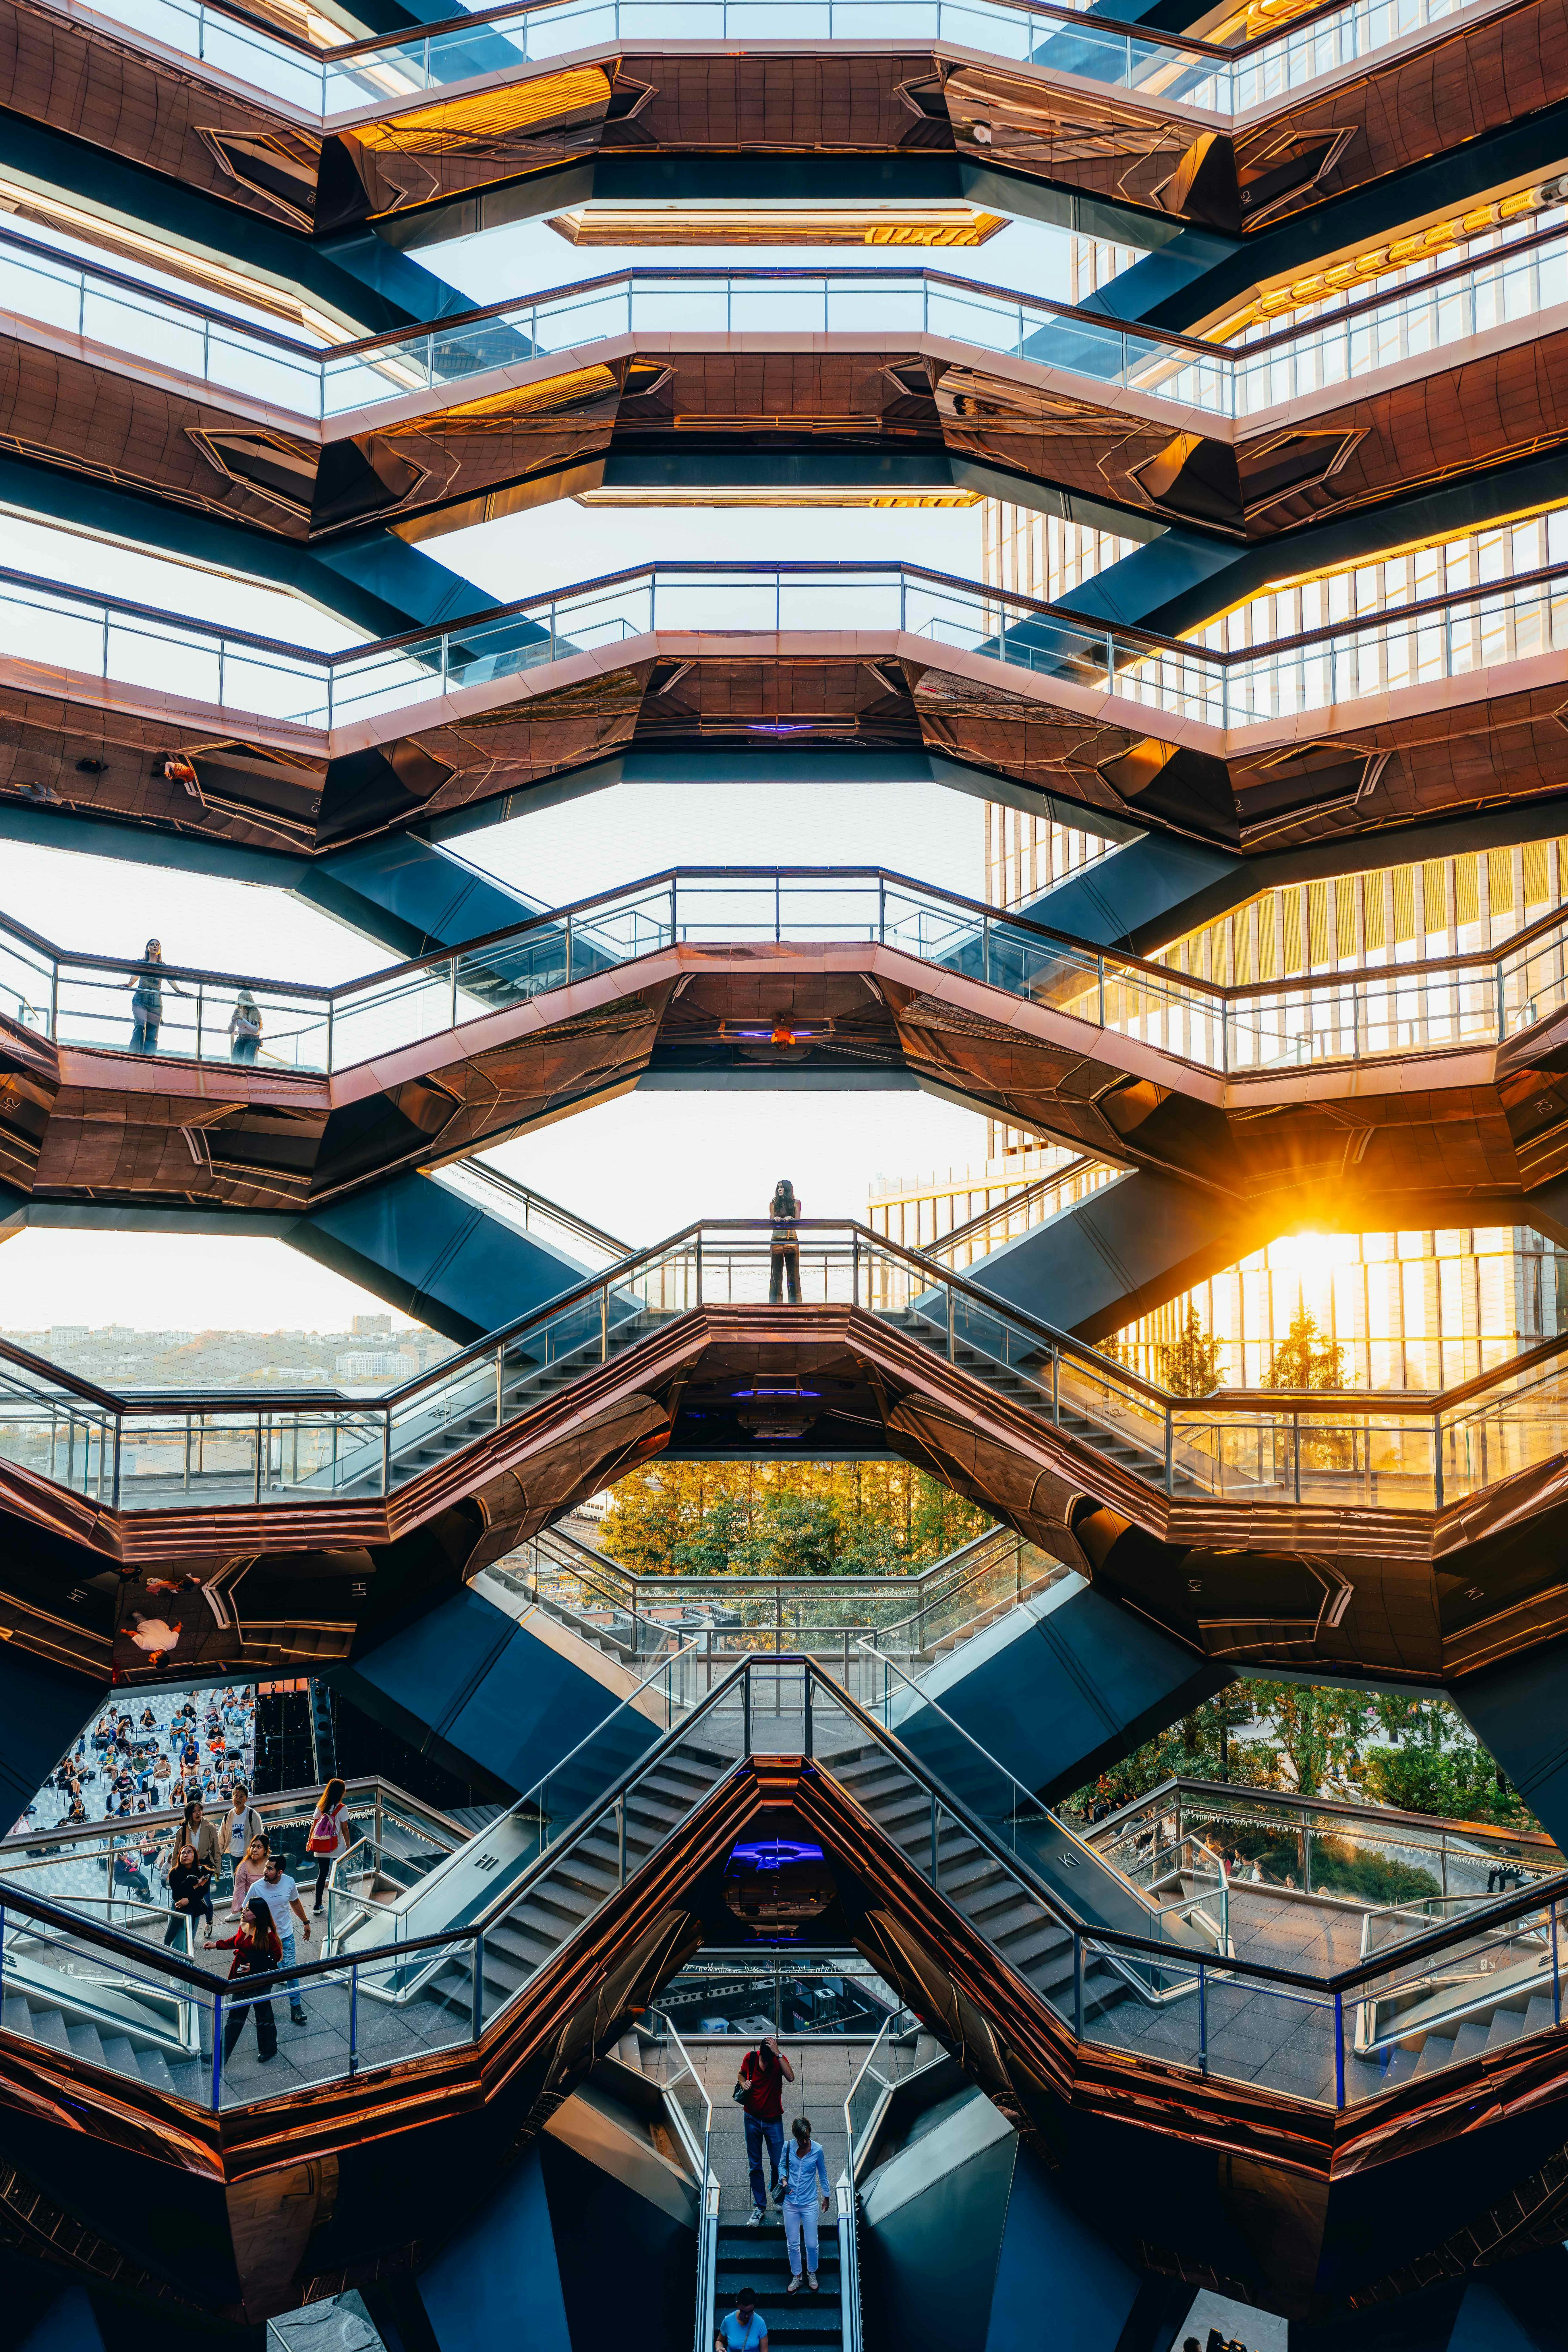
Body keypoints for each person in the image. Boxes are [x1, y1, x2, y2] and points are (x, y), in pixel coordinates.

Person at [206, 1896, 281, 2068]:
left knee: (262, 2015)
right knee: (236, 2018)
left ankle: (268, 2049)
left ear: (256, 1915)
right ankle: (219, 2058)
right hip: (242, 1977)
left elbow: (275, 1958)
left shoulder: (267, 1934)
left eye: (248, 1910)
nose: (243, 1911)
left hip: (259, 1980)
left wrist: (254, 1966)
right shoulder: (245, 1926)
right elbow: (237, 1941)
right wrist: (217, 1945)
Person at [736, 2033, 794, 2225]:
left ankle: (777, 2197)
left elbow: (791, 2077)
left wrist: (778, 2054)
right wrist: (744, 2083)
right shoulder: (750, 2058)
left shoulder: (778, 2061)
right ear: (759, 2053)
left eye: (769, 2060)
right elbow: (740, 2074)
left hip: (773, 2120)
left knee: (778, 2163)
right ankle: (759, 2207)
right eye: (764, 2059)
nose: (765, 2064)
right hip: (751, 2118)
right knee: (755, 2165)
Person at [252, 1850, 313, 2027]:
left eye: (270, 1869)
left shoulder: (289, 1882)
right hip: (265, 1939)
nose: (265, 1871)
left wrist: (306, 1922)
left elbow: (294, 1902)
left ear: (280, 1873)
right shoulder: (257, 1888)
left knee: (291, 1969)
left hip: (286, 1935)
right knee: (267, 1972)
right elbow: (245, 1913)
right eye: (266, 1867)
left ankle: (296, 2008)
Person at [779, 2117, 831, 2295]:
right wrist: (784, 2179)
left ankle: (811, 2273)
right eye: (801, 2139)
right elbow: (781, 2166)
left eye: (807, 2137)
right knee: (793, 2243)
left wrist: (827, 2196)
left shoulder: (817, 2150)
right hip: (790, 2204)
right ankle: (798, 2276)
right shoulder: (788, 2147)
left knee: (811, 2244)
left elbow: (823, 2173)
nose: (804, 2142)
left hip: (809, 2203)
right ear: (795, 2136)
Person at [125, 939, 183, 1054]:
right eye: (152, 945)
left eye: (157, 945)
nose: (155, 947)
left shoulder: (163, 966)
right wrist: (130, 985)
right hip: (141, 999)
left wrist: (178, 991)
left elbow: (170, 980)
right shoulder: (141, 963)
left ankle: (148, 1059)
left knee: (153, 1033)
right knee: (141, 1025)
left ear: (160, 950)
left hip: (156, 1003)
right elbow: (136, 976)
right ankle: (134, 1055)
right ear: (148, 948)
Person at [304, 1777, 349, 1914]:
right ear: (341, 1793)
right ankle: (343, 1895)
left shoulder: (320, 1807)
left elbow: (314, 1826)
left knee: (322, 1874)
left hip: (321, 1845)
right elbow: (345, 1829)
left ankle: (317, 1906)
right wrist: (349, 1846)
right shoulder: (342, 1809)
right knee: (341, 1870)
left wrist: (309, 1841)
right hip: (337, 1845)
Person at [164, 1842, 212, 1950]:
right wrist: (195, 1886)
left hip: (194, 1908)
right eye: (183, 1853)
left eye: (189, 1852)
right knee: (178, 1941)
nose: (186, 1855)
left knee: (189, 1939)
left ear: (195, 1856)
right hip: (179, 1907)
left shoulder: (203, 1871)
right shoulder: (174, 1873)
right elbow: (177, 1894)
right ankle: (177, 1963)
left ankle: (187, 1963)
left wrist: (189, 1899)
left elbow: (203, 1892)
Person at [219, 1784, 264, 1886]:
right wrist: (218, 1855)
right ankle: (240, 1903)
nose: (238, 1799)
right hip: (233, 1856)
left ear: (246, 1799)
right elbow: (221, 1838)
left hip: (249, 1857)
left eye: (242, 1796)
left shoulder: (253, 1815)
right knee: (237, 1884)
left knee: (251, 1883)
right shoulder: (228, 1816)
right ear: (232, 1798)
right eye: (236, 1796)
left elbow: (259, 1839)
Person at [767, 1180, 802, 1306]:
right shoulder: (774, 1204)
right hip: (776, 1241)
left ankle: (796, 1305)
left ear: (788, 1189)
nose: (779, 1190)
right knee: (776, 1275)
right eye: (778, 1188)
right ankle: (775, 1305)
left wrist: (792, 1219)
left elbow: (799, 1221)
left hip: (791, 1240)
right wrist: (775, 1219)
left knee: (793, 1274)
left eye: (782, 1187)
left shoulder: (796, 1203)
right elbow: (771, 1221)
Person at [229, 1832, 271, 1920]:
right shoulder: (244, 1867)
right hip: (252, 1904)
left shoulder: (272, 1862)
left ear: (266, 1850)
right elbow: (239, 1891)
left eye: (259, 1847)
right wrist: (244, 1908)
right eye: (253, 1846)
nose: (255, 1850)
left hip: (270, 1901)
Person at [717, 2288, 767, 2352]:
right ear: (738, 2305)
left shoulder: (760, 2323)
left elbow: (765, 2350)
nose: (747, 2316)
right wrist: (719, 2349)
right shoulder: (728, 2321)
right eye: (743, 2312)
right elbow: (720, 2341)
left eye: (750, 2312)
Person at [229, 989, 263, 1064]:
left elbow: (255, 1030)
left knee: (247, 1062)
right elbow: (230, 1031)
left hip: (252, 1039)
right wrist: (234, 1021)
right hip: (241, 1038)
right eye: (240, 1001)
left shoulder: (254, 1011)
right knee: (235, 1062)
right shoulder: (238, 1011)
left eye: (243, 1001)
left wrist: (243, 1019)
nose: (242, 1004)